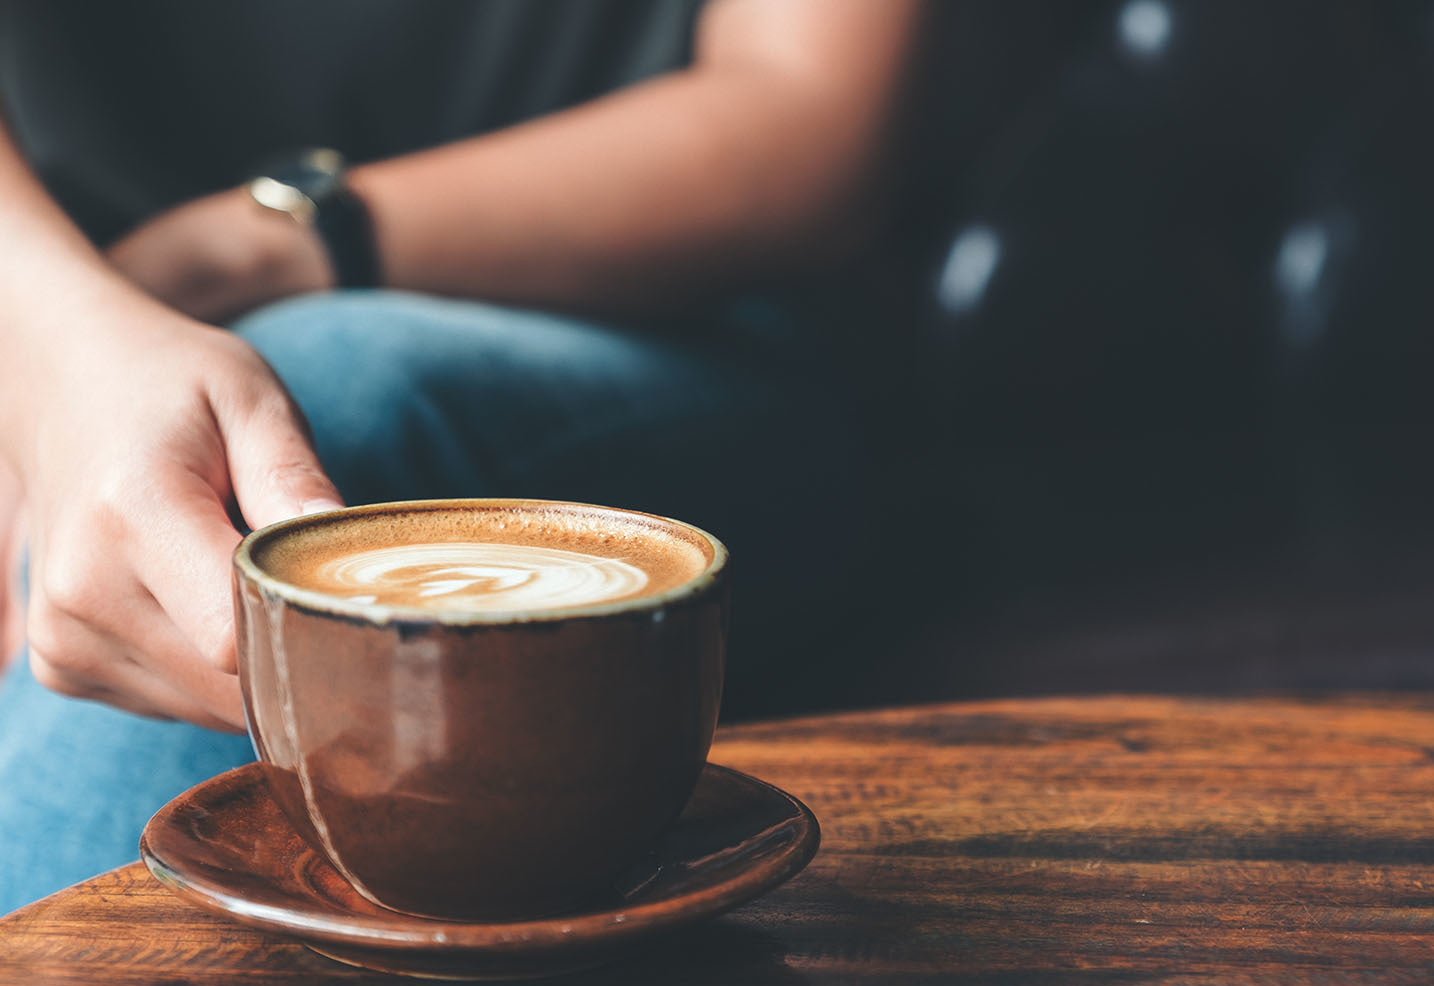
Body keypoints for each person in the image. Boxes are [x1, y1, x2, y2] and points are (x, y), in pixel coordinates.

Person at [0, 0, 923, 914]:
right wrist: (62, 349)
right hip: (78, 315)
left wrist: (241, 250)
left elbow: (806, 115)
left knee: (287, 417)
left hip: (693, 331)